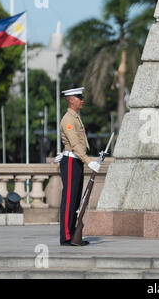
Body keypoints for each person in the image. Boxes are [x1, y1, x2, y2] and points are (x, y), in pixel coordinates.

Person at [54, 86, 100, 246]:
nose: (82, 100)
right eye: (79, 97)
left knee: (75, 200)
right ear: (72, 100)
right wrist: (89, 161)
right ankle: (66, 236)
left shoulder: (75, 117)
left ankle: (73, 234)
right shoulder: (68, 119)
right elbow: (74, 143)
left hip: (76, 161)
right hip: (71, 161)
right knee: (69, 200)